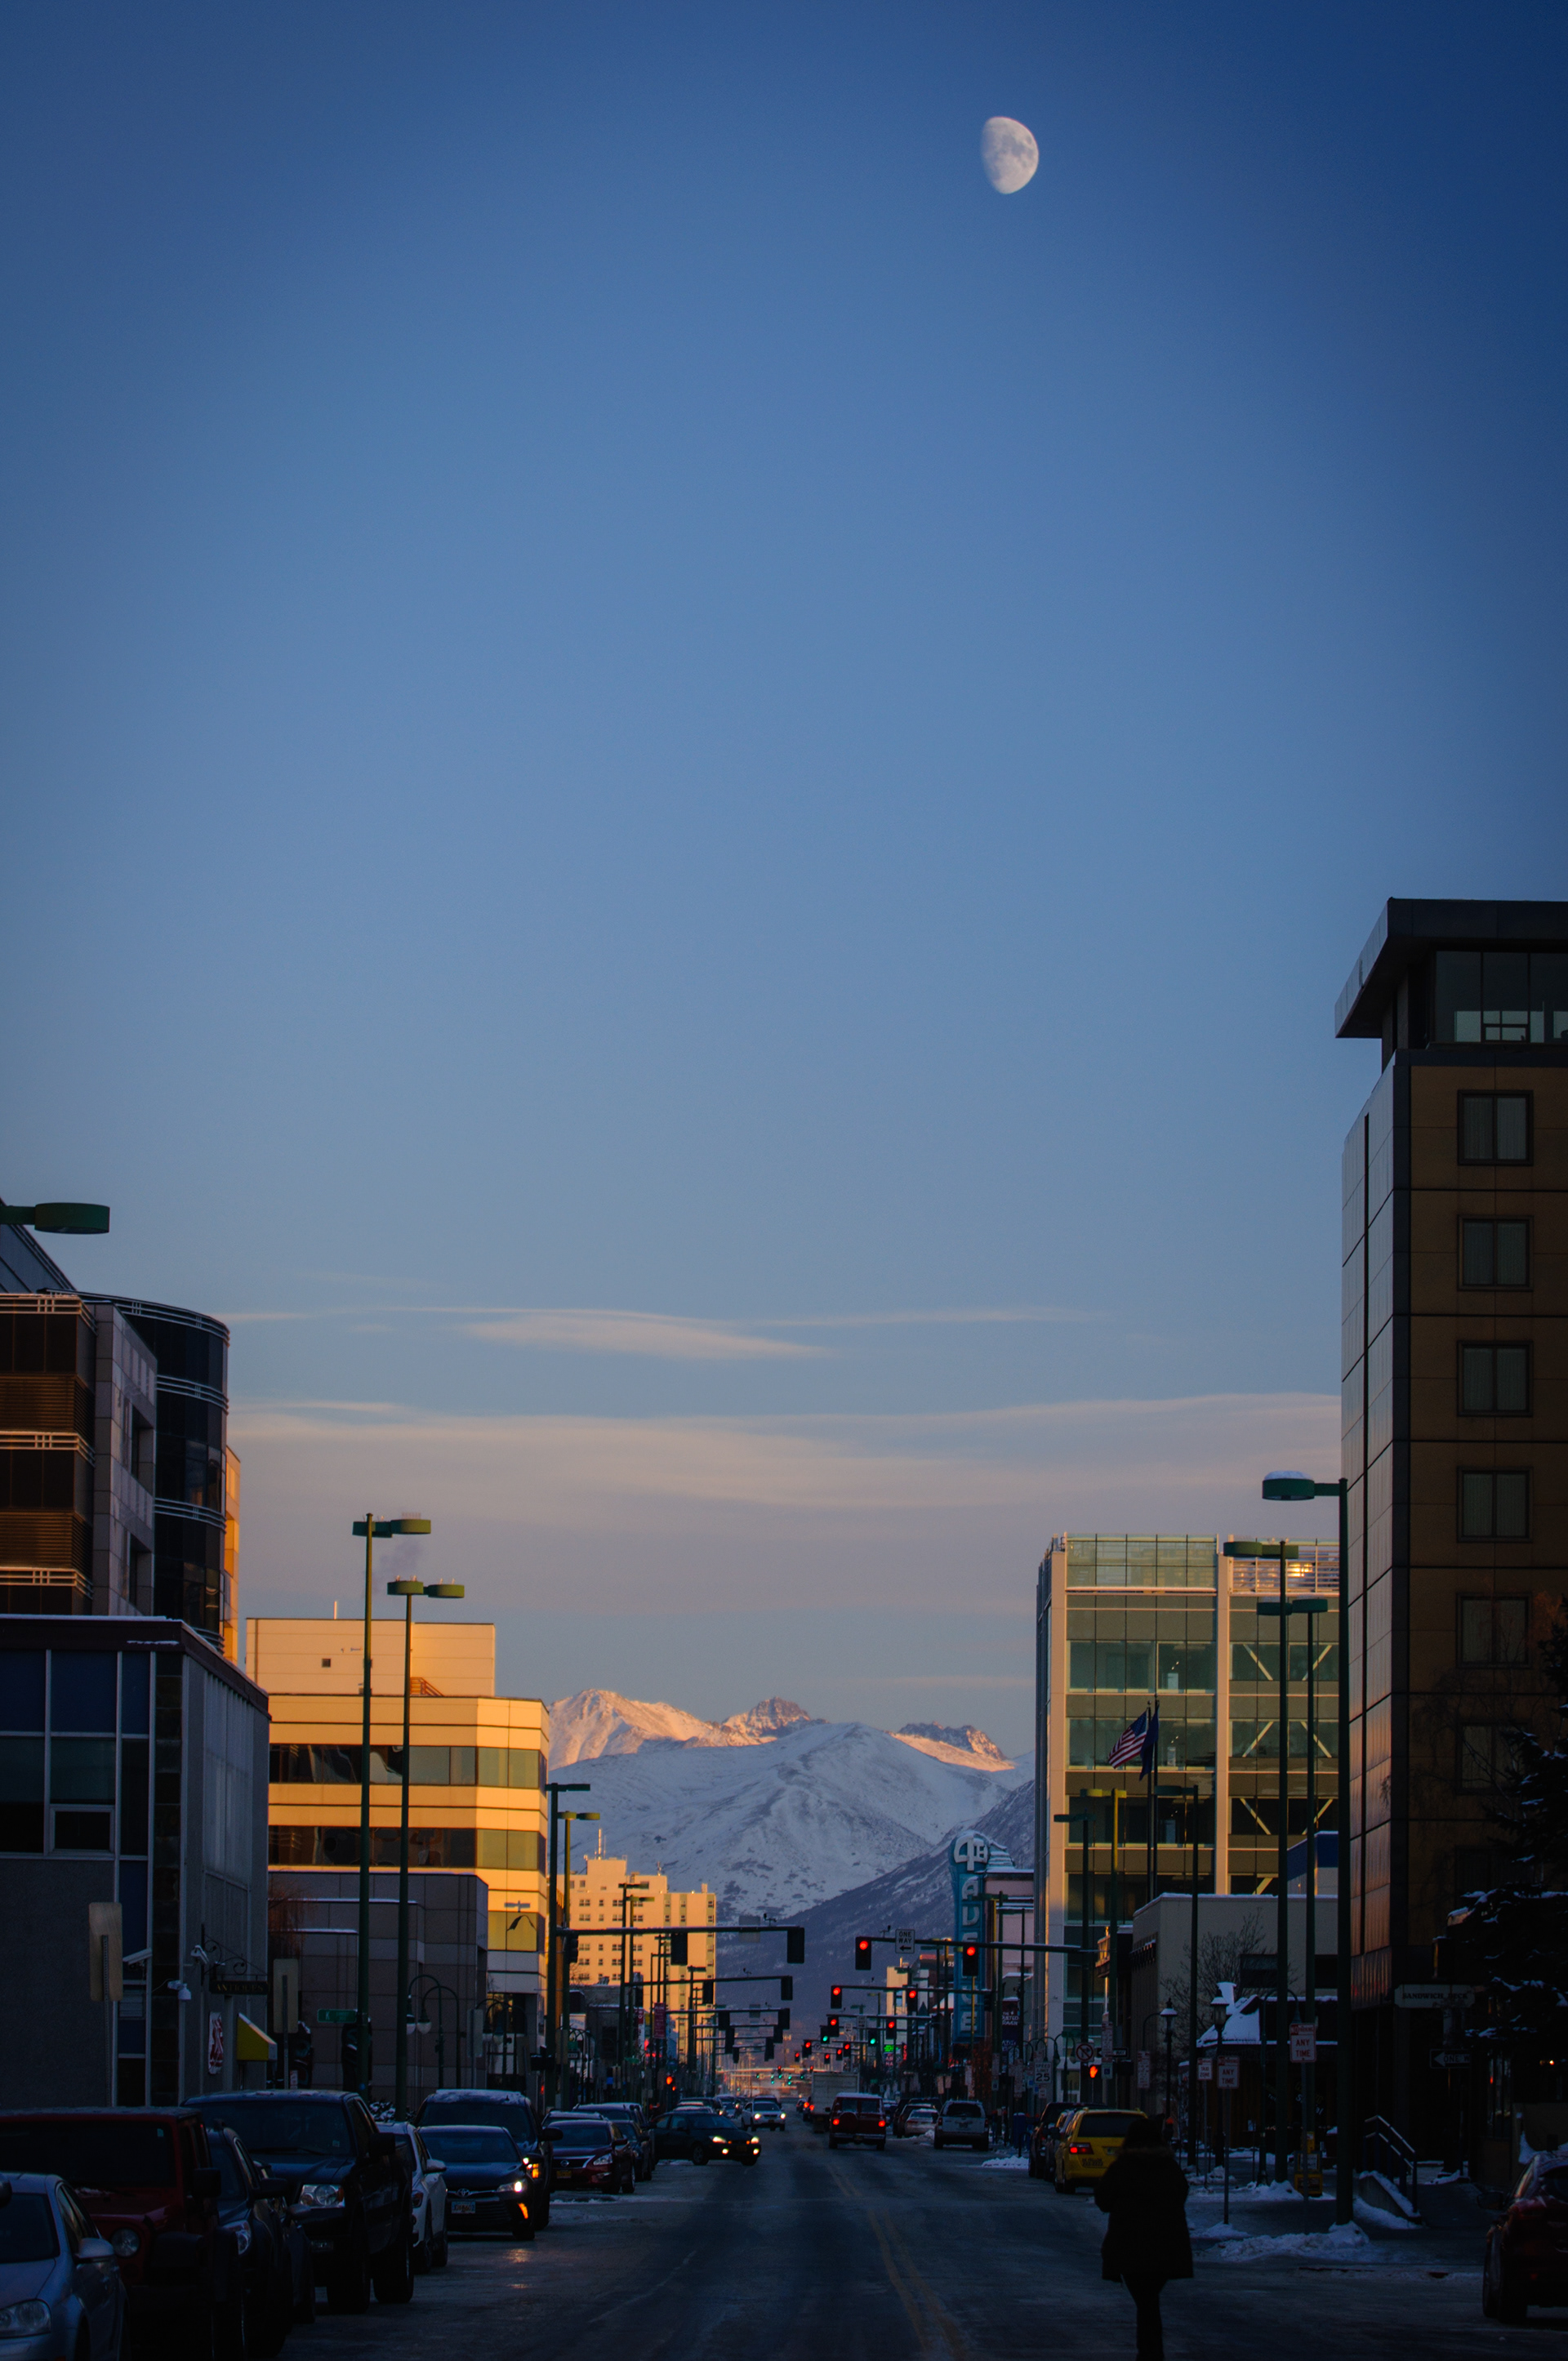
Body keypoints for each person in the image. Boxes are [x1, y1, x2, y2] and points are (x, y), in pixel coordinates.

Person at [1094, 2116, 1193, 2361]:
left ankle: (1149, 2353)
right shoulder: (1168, 2167)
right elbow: (1182, 2192)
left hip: (1130, 2247)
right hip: (1165, 2246)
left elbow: (1103, 2199)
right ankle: (1151, 2352)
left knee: (1145, 2300)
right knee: (1149, 2300)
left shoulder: (1123, 2167)